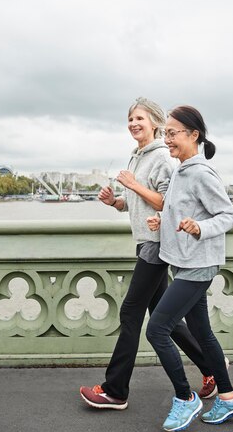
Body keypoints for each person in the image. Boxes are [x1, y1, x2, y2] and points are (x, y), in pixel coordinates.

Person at [80, 98, 219, 410]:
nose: (133, 123)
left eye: (139, 118)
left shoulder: (162, 159)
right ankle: (211, 366)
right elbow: (135, 202)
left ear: (155, 123)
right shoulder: (136, 157)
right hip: (145, 242)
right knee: (163, 315)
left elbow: (168, 204)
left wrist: (133, 185)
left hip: (157, 245)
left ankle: (115, 390)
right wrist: (115, 200)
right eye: (130, 118)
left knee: (131, 313)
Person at [146, 105, 233, 432]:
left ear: (194, 135)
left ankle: (184, 398)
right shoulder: (180, 170)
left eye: (172, 133)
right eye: (166, 134)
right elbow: (180, 211)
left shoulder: (201, 173)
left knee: (157, 329)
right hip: (185, 263)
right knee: (202, 332)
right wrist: (161, 221)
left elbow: (229, 215)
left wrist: (200, 229)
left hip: (197, 266)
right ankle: (229, 398)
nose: (168, 139)